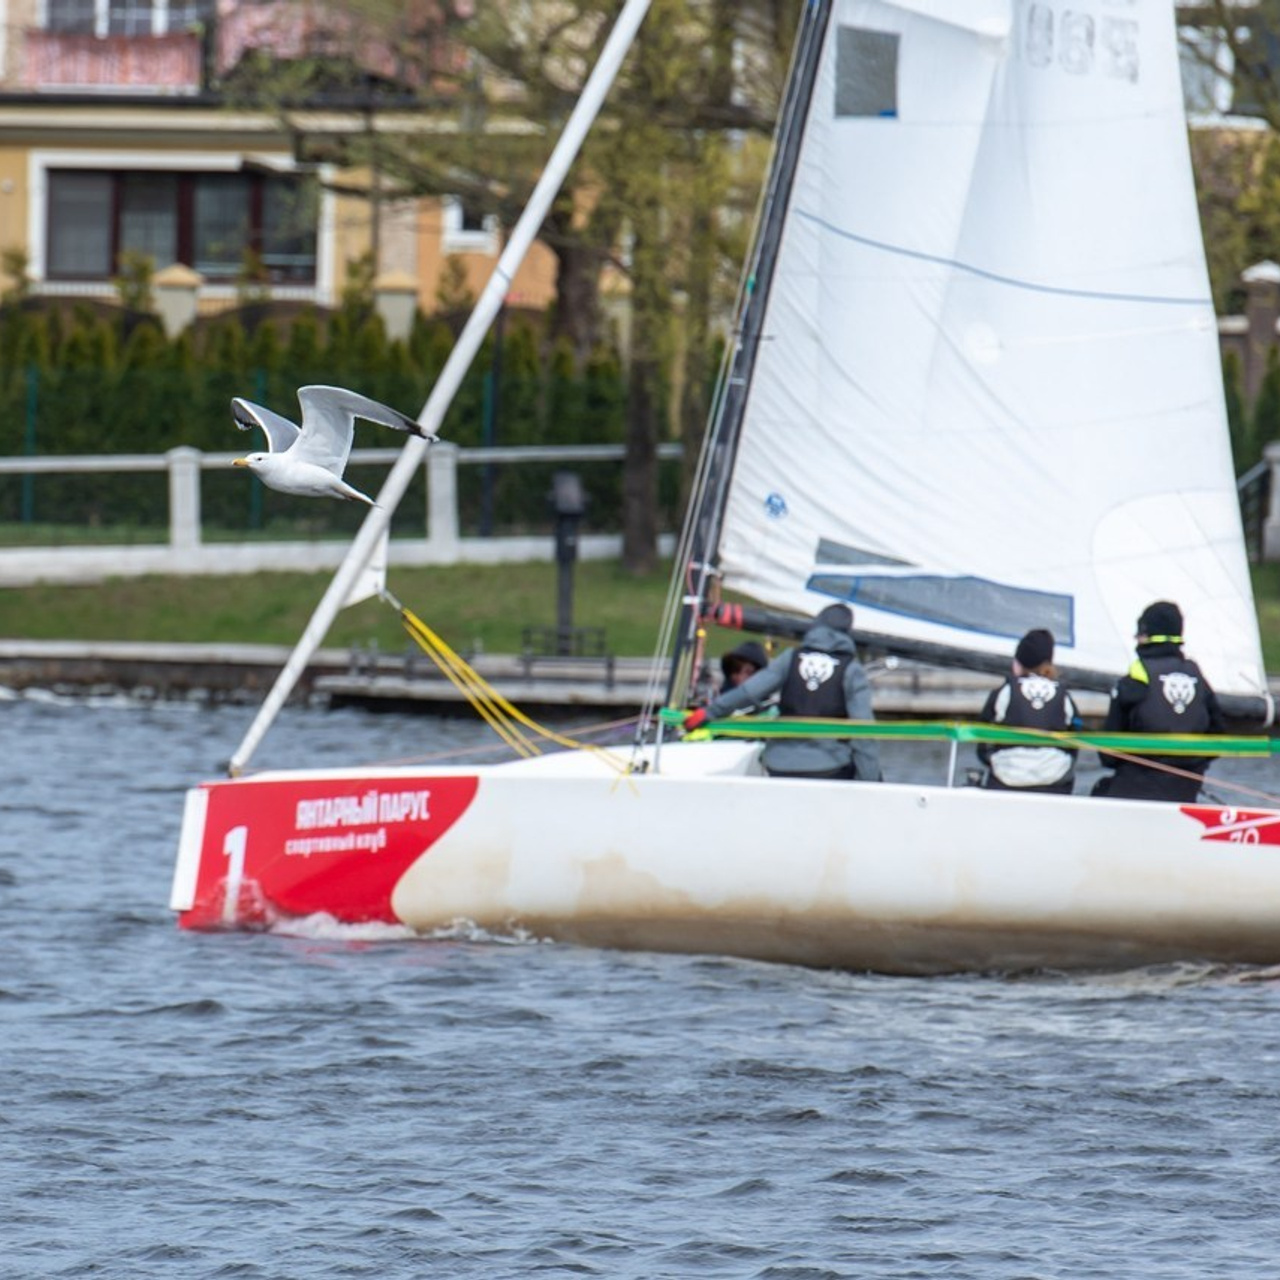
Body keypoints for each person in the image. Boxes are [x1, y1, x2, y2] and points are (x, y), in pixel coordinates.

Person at [683, 603, 880, 781]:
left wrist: (709, 712)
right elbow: (863, 731)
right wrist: (871, 780)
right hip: (830, 767)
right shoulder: (852, 669)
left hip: (779, 765)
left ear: (816, 626)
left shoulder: (791, 658)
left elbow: (749, 692)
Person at [1091, 600, 1223, 803]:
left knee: (1100, 789)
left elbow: (1107, 756)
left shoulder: (1136, 678)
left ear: (1145, 635)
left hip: (1135, 791)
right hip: (1185, 791)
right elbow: (1218, 736)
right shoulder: (1197, 678)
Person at [977, 628, 1079, 794]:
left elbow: (982, 733)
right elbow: (1076, 732)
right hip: (1054, 779)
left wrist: (990, 759)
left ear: (1018, 663)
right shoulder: (1063, 694)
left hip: (1007, 777)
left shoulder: (1005, 691)